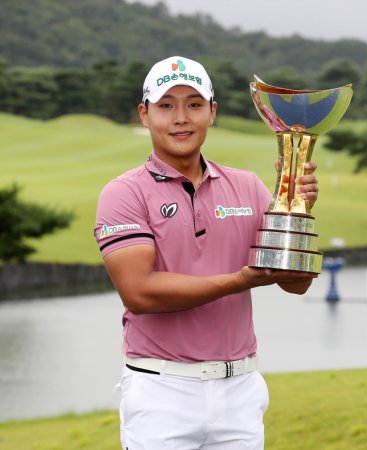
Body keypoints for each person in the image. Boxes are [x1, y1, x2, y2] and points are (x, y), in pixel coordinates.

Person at [93, 55, 319, 449]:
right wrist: (240, 281)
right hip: (162, 391)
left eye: (194, 104)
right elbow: (140, 293)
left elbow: (294, 285)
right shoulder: (124, 193)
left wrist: (296, 217)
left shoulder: (248, 186)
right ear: (144, 115)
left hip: (240, 389)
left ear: (212, 112)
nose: (181, 118)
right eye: (166, 106)